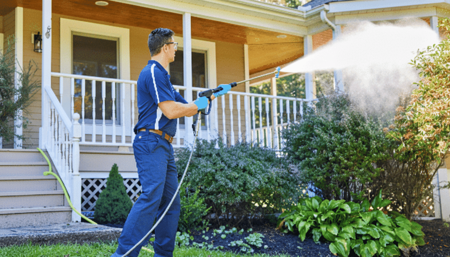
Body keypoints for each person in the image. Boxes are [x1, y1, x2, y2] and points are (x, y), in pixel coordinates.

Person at [111, 28, 230, 257]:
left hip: (162, 145)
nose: (176, 48)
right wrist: (197, 106)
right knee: (151, 197)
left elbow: (185, 107)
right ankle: (123, 255)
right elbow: (171, 110)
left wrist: (209, 96)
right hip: (150, 142)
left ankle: (163, 255)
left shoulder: (163, 77)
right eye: (174, 44)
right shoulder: (153, 72)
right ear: (165, 47)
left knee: (171, 204)